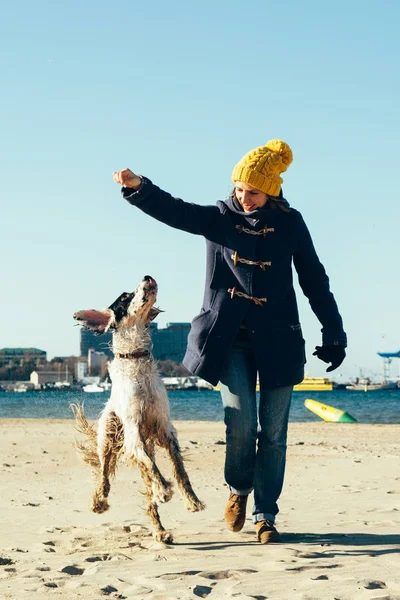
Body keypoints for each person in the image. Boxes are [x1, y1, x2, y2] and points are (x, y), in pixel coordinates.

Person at [113, 139, 347, 544]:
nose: (244, 197)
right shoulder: (220, 217)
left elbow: (314, 279)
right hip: (229, 340)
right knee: (240, 422)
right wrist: (139, 188)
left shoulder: (291, 224)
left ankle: (266, 514)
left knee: (274, 433)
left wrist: (334, 331)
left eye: (253, 192)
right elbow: (177, 211)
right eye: (238, 189)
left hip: (279, 339)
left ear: (271, 190)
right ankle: (239, 489)